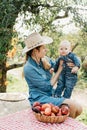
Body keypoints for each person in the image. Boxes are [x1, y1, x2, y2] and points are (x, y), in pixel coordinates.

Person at [23, 32, 82, 118]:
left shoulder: (45, 59)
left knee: (79, 108)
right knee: (72, 106)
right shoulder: (29, 68)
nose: (46, 50)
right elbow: (47, 86)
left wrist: (72, 64)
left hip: (52, 94)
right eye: (44, 48)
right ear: (36, 51)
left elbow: (57, 65)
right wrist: (60, 69)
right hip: (40, 98)